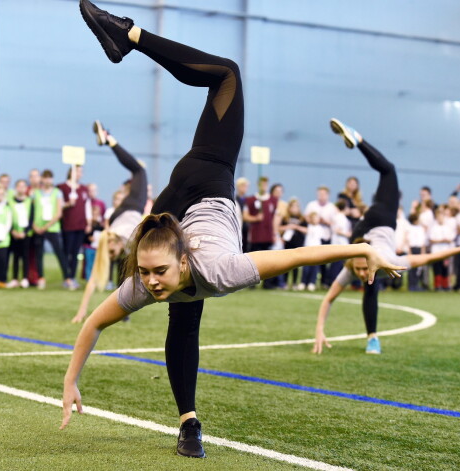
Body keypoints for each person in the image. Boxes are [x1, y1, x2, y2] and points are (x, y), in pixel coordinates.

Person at [62, 3, 404, 458]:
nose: (149, 281)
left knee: (184, 310)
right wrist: (70, 380)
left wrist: (364, 248)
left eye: (156, 272)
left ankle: (188, 424)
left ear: (180, 258)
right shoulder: (186, 273)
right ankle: (128, 36)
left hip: (186, 191)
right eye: (147, 275)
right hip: (201, 184)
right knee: (227, 75)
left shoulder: (200, 270)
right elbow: (93, 323)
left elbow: (300, 256)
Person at [312, 119, 460, 356]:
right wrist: (319, 330)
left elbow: (427, 258)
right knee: (388, 170)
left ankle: (372, 338)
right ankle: (357, 138)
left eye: (362, 269)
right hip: (374, 222)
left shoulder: (377, 262)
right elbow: (328, 299)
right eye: (359, 269)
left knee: (371, 284)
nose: (360, 273)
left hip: (365, 228)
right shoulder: (364, 264)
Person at [71, 120, 148, 324]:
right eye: (112, 254)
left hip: (129, 208)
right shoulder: (114, 241)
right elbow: (93, 281)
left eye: (112, 252)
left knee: (139, 172)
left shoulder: (122, 237)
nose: (112, 255)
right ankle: (109, 138)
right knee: (139, 172)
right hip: (123, 214)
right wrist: (82, 312)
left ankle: (109, 138)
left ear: (113, 242)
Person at [32, 169, 66, 289]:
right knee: (39, 254)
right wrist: (35, 225)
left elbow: (59, 213)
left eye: (49, 178)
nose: (47, 180)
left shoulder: (57, 193)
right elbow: (32, 210)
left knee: (59, 253)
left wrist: (47, 226)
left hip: (52, 228)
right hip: (38, 228)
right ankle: (41, 278)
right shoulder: (35, 193)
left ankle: (67, 278)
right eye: (45, 178)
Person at [59, 164, 91, 290]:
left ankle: (72, 276)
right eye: (77, 171)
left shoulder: (83, 189)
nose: (79, 174)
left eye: (81, 171)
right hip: (67, 225)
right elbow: (58, 205)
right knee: (67, 252)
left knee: (76, 252)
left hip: (80, 225)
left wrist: (88, 223)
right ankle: (66, 277)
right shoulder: (62, 188)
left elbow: (87, 207)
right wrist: (68, 204)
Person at [304, 185, 338, 287]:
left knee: (326, 260)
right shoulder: (311, 205)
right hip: (314, 237)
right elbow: (306, 217)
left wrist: (325, 221)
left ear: (328, 195)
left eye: (324, 194)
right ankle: (308, 281)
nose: (321, 196)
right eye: (320, 194)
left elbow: (334, 223)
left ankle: (324, 281)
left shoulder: (332, 207)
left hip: (327, 236)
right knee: (313, 260)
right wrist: (315, 221)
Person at [7, 179, 32, 289]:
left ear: (26, 188)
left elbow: (31, 218)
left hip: (25, 234)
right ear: (15, 188)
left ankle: (25, 278)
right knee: (15, 257)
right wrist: (12, 230)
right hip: (14, 233)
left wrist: (25, 232)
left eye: (23, 186)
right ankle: (14, 278)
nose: (21, 188)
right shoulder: (10, 201)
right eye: (19, 186)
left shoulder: (29, 201)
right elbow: (7, 216)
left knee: (25, 256)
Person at [279, 197, 306, 289]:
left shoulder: (302, 218)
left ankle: (295, 283)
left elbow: (306, 230)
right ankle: (285, 283)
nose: (294, 208)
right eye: (292, 206)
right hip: (287, 243)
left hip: (298, 243)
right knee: (287, 263)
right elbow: (279, 228)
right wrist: (288, 227)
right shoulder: (286, 218)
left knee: (296, 264)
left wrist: (296, 227)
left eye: (296, 206)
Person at [428, 206, 455, 291]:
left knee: (445, 269)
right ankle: (437, 285)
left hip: (445, 252)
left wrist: (446, 241)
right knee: (437, 269)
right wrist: (441, 240)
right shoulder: (433, 227)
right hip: (436, 252)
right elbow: (431, 239)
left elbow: (451, 239)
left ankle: (445, 285)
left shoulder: (448, 227)